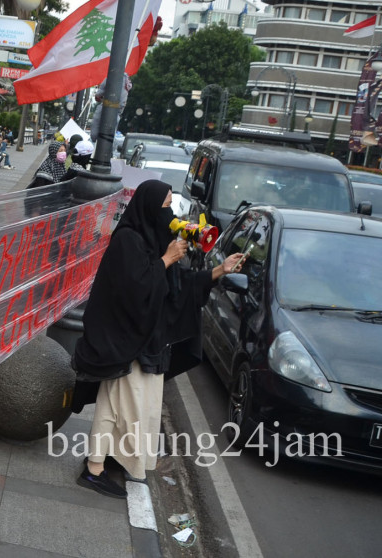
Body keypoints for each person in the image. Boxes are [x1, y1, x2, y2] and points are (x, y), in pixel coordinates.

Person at [72, 180, 244, 498]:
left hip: (144, 344)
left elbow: (176, 286)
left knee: (128, 408)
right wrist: (165, 260)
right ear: (150, 207)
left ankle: (101, 461)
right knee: (123, 408)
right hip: (125, 344)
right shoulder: (127, 240)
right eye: (166, 206)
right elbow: (132, 291)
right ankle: (94, 469)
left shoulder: (151, 241)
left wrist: (219, 269)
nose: (171, 213)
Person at [90, 75, 131, 143]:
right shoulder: (128, 81)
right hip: (119, 108)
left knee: (96, 123)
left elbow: (98, 95)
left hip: (107, 106)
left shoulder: (109, 78)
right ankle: (110, 140)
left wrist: (100, 96)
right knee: (115, 121)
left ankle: (96, 139)